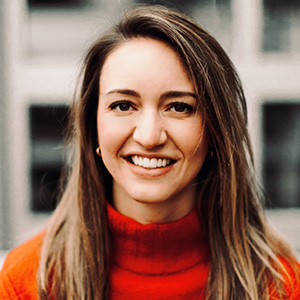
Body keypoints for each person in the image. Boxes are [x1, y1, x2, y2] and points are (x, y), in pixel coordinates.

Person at [0, 5, 299, 300]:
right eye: (123, 105)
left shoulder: (281, 285)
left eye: (179, 107)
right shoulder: (27, 283)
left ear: (215, 132)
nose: (149, 136)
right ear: (93, 127)